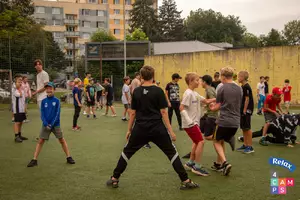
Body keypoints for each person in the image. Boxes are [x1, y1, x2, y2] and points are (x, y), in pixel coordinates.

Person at [106, 66, 199, 190]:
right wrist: (170, 131)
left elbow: (132, 112)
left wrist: (129, 130)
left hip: (140, 129)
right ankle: (186, 180)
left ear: (141, 77)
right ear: (153, 76)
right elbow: (164, 112)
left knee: (127, 152)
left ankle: (114, 178)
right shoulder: (158, 91)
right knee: (172, 153)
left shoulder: (137, 91)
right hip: (158, 129)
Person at [27, 82, 75, 167]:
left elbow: (57, 114)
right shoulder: (43, 101)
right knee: (40, 141)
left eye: (50, 88)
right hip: (46, 125)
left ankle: (69, 157)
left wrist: (51, 124)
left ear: (54, 90)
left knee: (61, 140)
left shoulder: (57, 101)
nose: (49, 90)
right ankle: (34, 159)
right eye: (47, 88)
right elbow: (42, 114)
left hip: (55, 125)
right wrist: (46, 124)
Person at [209, 67, 242, 176]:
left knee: (216, 141)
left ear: (223, 76)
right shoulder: (239, 88)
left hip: (224, 120)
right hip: (236, 122)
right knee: (222, 139)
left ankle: (224, 163)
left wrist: (212, 107)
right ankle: (218, 164)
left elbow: (218, 106)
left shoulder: (222, 88)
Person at [180, 73, 209, 176]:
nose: (199, 82)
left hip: (194, 123)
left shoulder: (195, 93)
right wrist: (189, 122)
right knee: (201, 142)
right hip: (190, 124)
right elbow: (181, 108)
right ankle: (197, 167)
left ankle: (190, 163)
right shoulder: (188, 93)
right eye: (197, 80)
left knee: (197, 142)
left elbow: (205, 101)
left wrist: (218, 100)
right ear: (191, 81)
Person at [236, 71, 255, 154]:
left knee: (247, 128)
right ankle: (245, 144)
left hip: (247, 110)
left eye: (239, 76)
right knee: (243, 127)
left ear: (243, 78)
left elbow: (247, 99)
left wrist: (244, 110)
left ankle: (250, 146)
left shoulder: (246, 87)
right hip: (242, 109)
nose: (238, 78)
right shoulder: (242, 86)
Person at [12, 74, 28, 143]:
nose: (20, 83)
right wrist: (19, 88)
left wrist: (24, 107)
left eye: (21, 81)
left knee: (21, 122)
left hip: (21, 108)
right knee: (17, 122)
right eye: (19, 81)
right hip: (17, 109)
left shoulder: (21, 88)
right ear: (15, 81)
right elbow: (19, 95)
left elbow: (23, 98)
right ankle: (16, 137)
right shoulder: (14, 88)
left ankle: (19, 134)